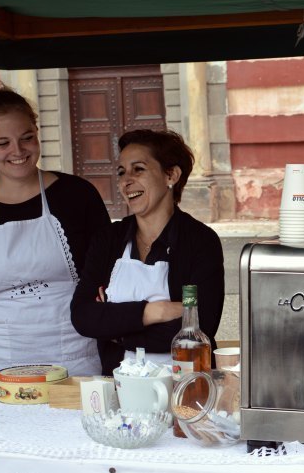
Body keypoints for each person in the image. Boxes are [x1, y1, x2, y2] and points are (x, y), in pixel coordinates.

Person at [0, 86, 111, 384]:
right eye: (2, 143)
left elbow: (107, 280)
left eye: (26, 138)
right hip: (0, 356)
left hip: (74, 349)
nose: (18, 151)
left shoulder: (78, 195)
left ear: (37, 132)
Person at [70, 129, 225, 375]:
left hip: (186, 384)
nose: (125, 181)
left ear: (171, 175)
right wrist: (155, 311)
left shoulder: (201, 241)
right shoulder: (108, 239)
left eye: (138, 169)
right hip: (119, 384)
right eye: (121, 172)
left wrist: (117, 332)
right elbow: (83, 316)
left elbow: (200, 327)